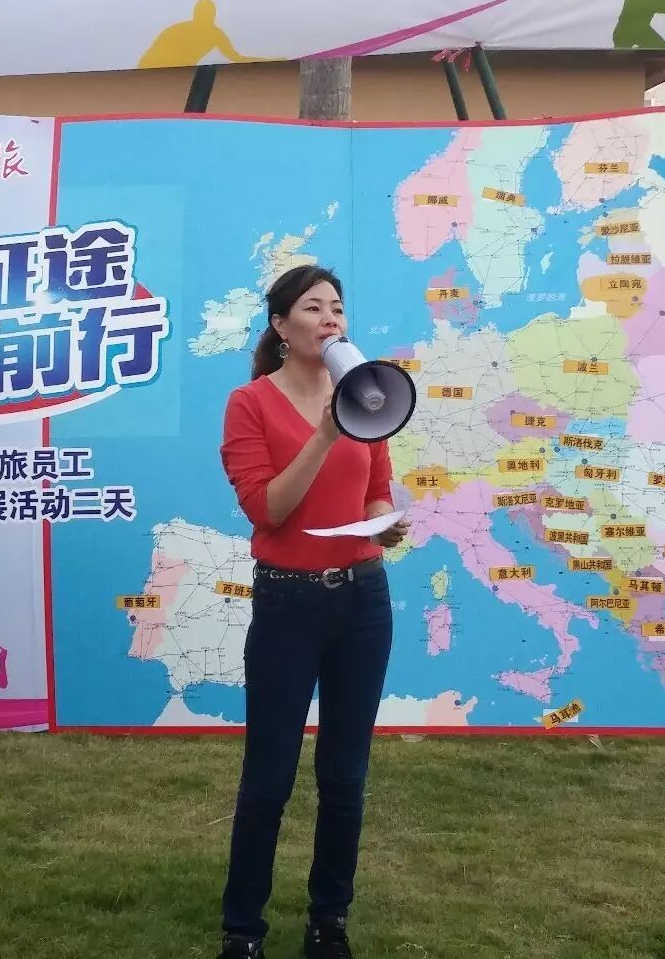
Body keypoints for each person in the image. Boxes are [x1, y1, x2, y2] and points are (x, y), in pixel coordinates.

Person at [216, 265, 409, 959]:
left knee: (345, 775)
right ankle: (243, 930)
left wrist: (386, 521)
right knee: (269, 777)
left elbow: (377, 487)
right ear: (280, 325)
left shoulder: (367, 393)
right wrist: (325, 435)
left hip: (363, 600)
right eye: (312, 307)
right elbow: (267, 509)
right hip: (288, 603)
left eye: (337, 308)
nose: (330, 319)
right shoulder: (250, 404)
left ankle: (330, 921)